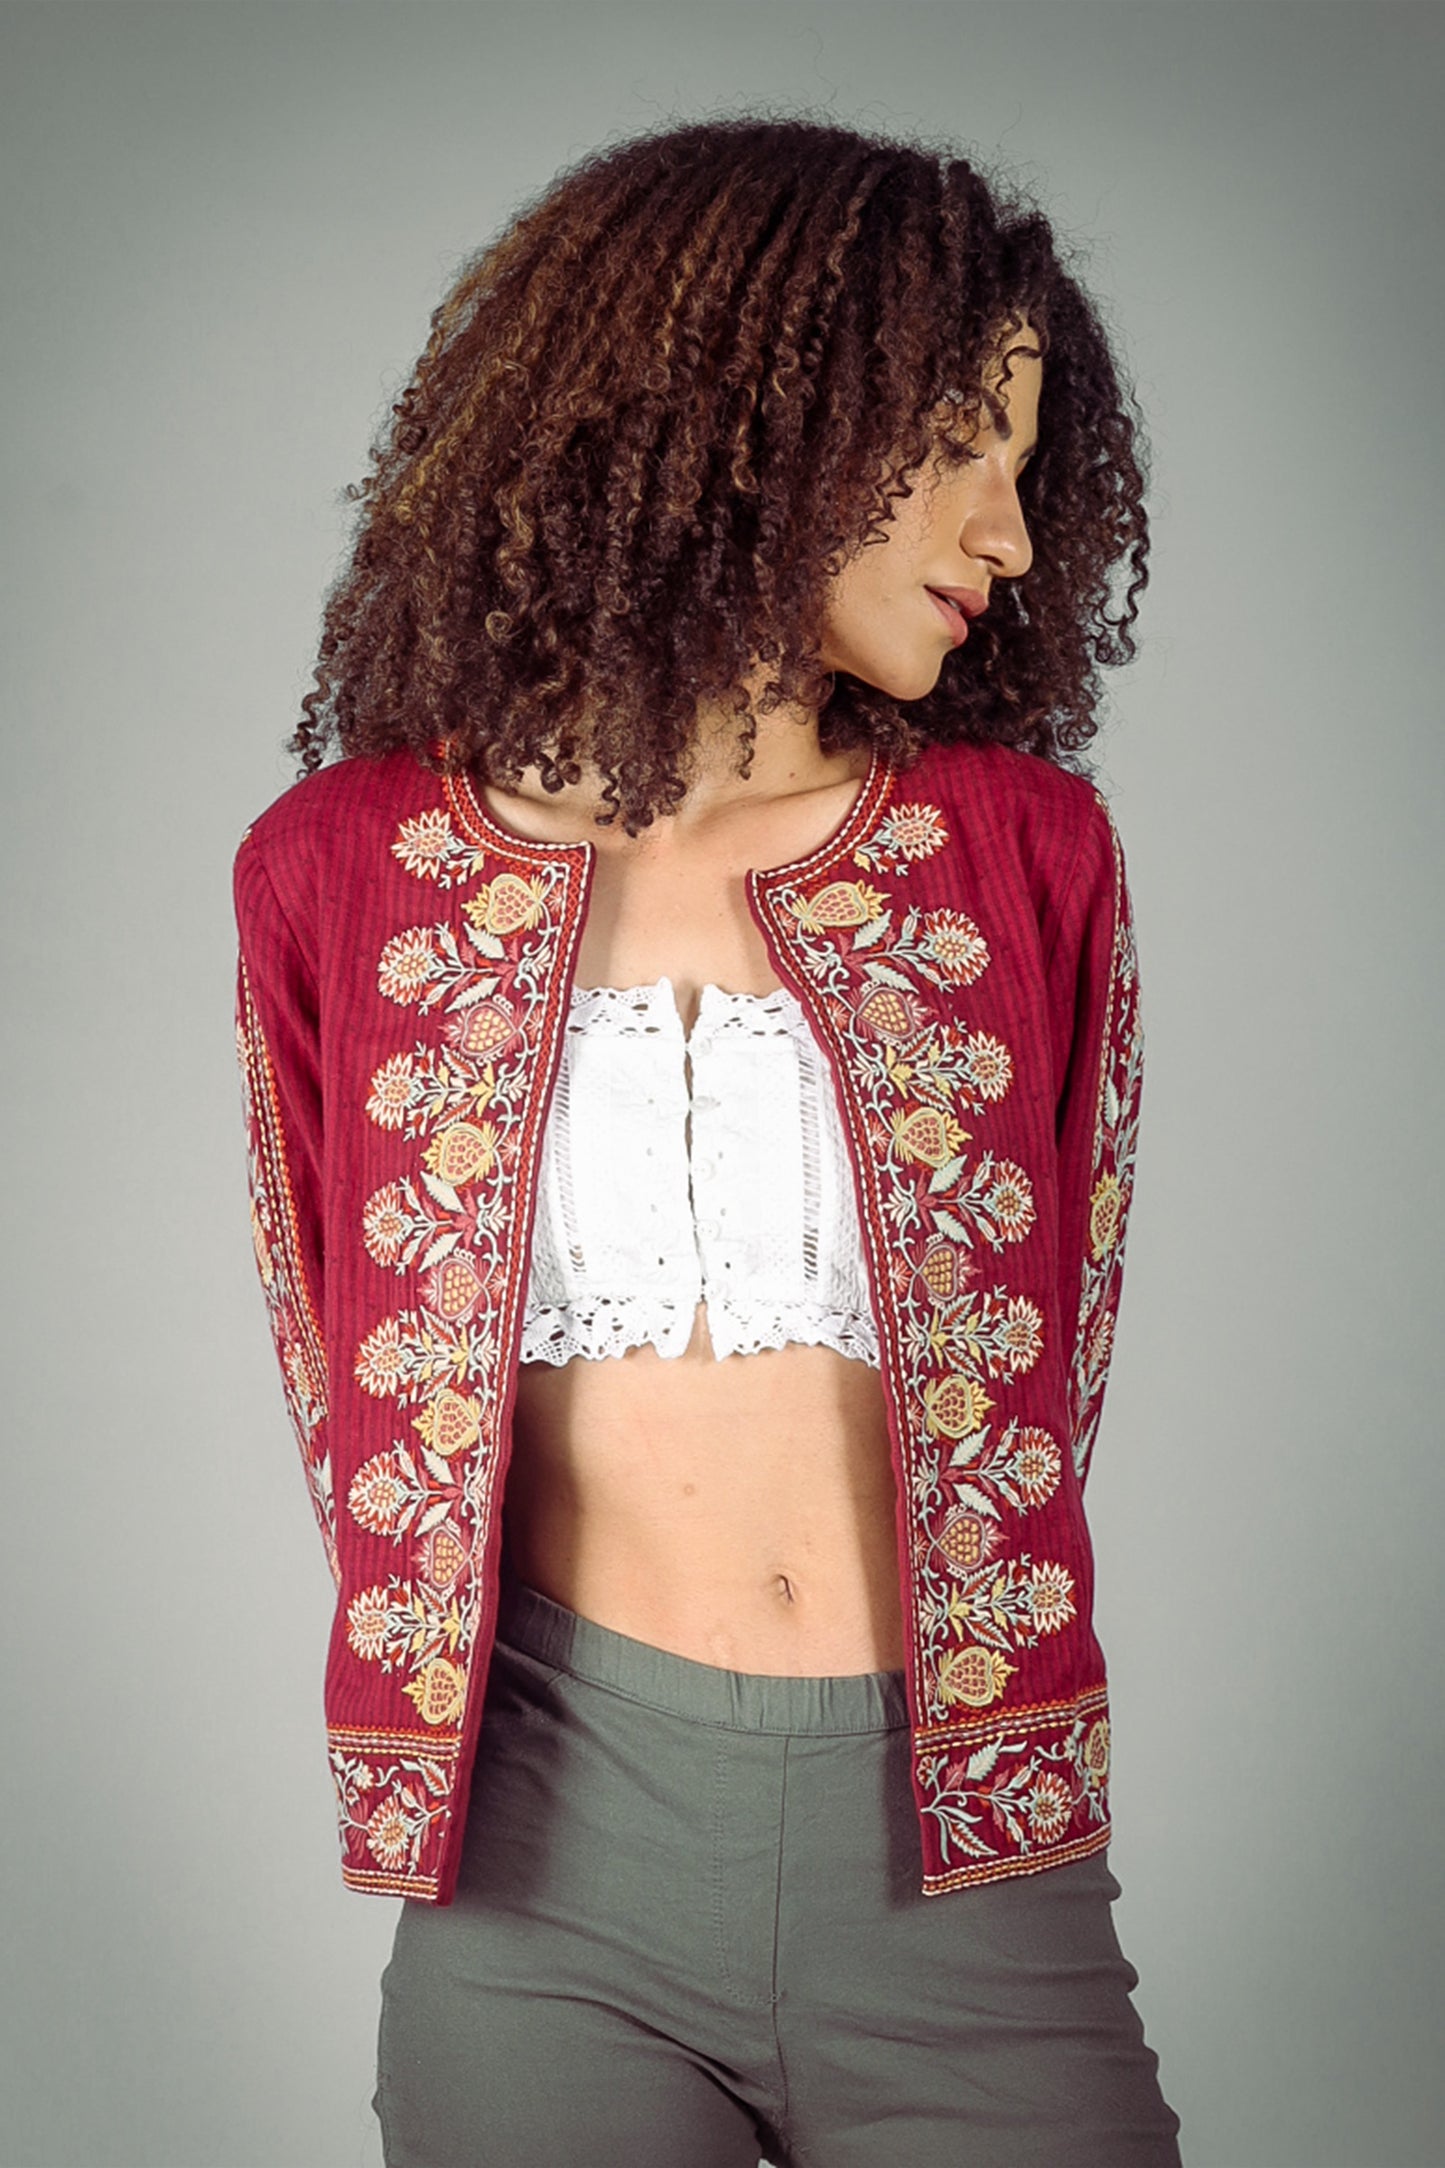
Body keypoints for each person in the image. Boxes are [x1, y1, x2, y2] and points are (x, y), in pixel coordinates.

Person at [233, 114, 1182, 2167]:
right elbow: (335, 1343)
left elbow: (1052, 1341)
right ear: (760, 411)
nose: (1011, 534)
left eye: (1030, 465)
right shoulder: (342, 870)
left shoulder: (1025, 853)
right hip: (541, 1879)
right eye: (958, 443)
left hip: (964, 1866)